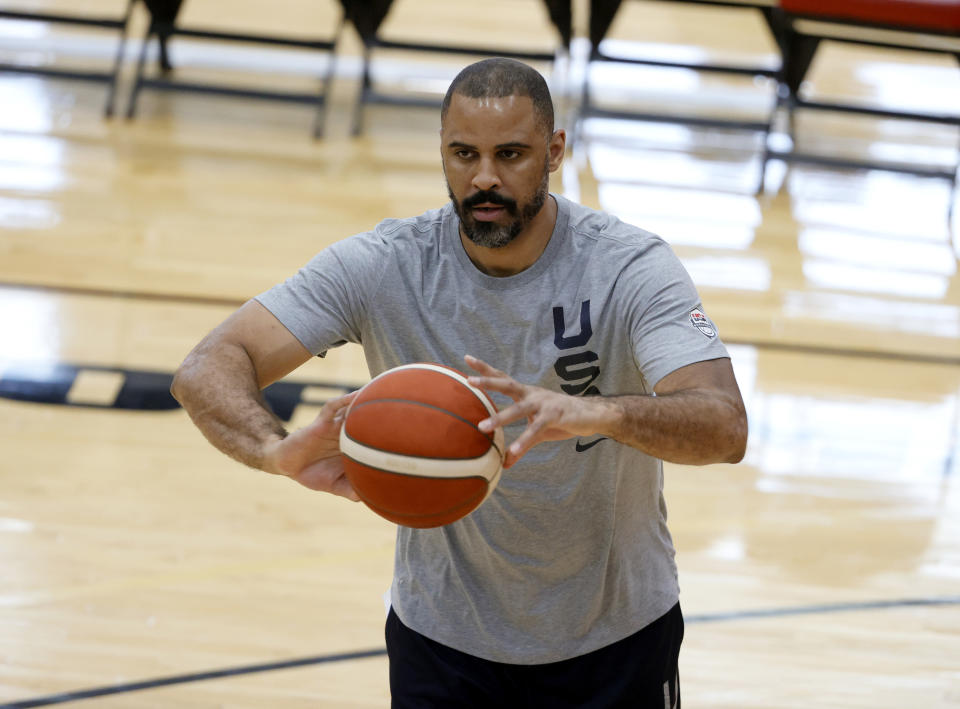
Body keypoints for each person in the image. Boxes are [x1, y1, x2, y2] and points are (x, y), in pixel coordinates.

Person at [171, 57, 747, 708]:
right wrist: (275, 451)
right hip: (441, 645)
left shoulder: (629, 267)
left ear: (555, 151)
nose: (485, 178)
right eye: (463, 154)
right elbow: (208, 365)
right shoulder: (385, 265)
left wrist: (596, 413)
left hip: (615, 641)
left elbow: (724, 425)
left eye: (510, 154)